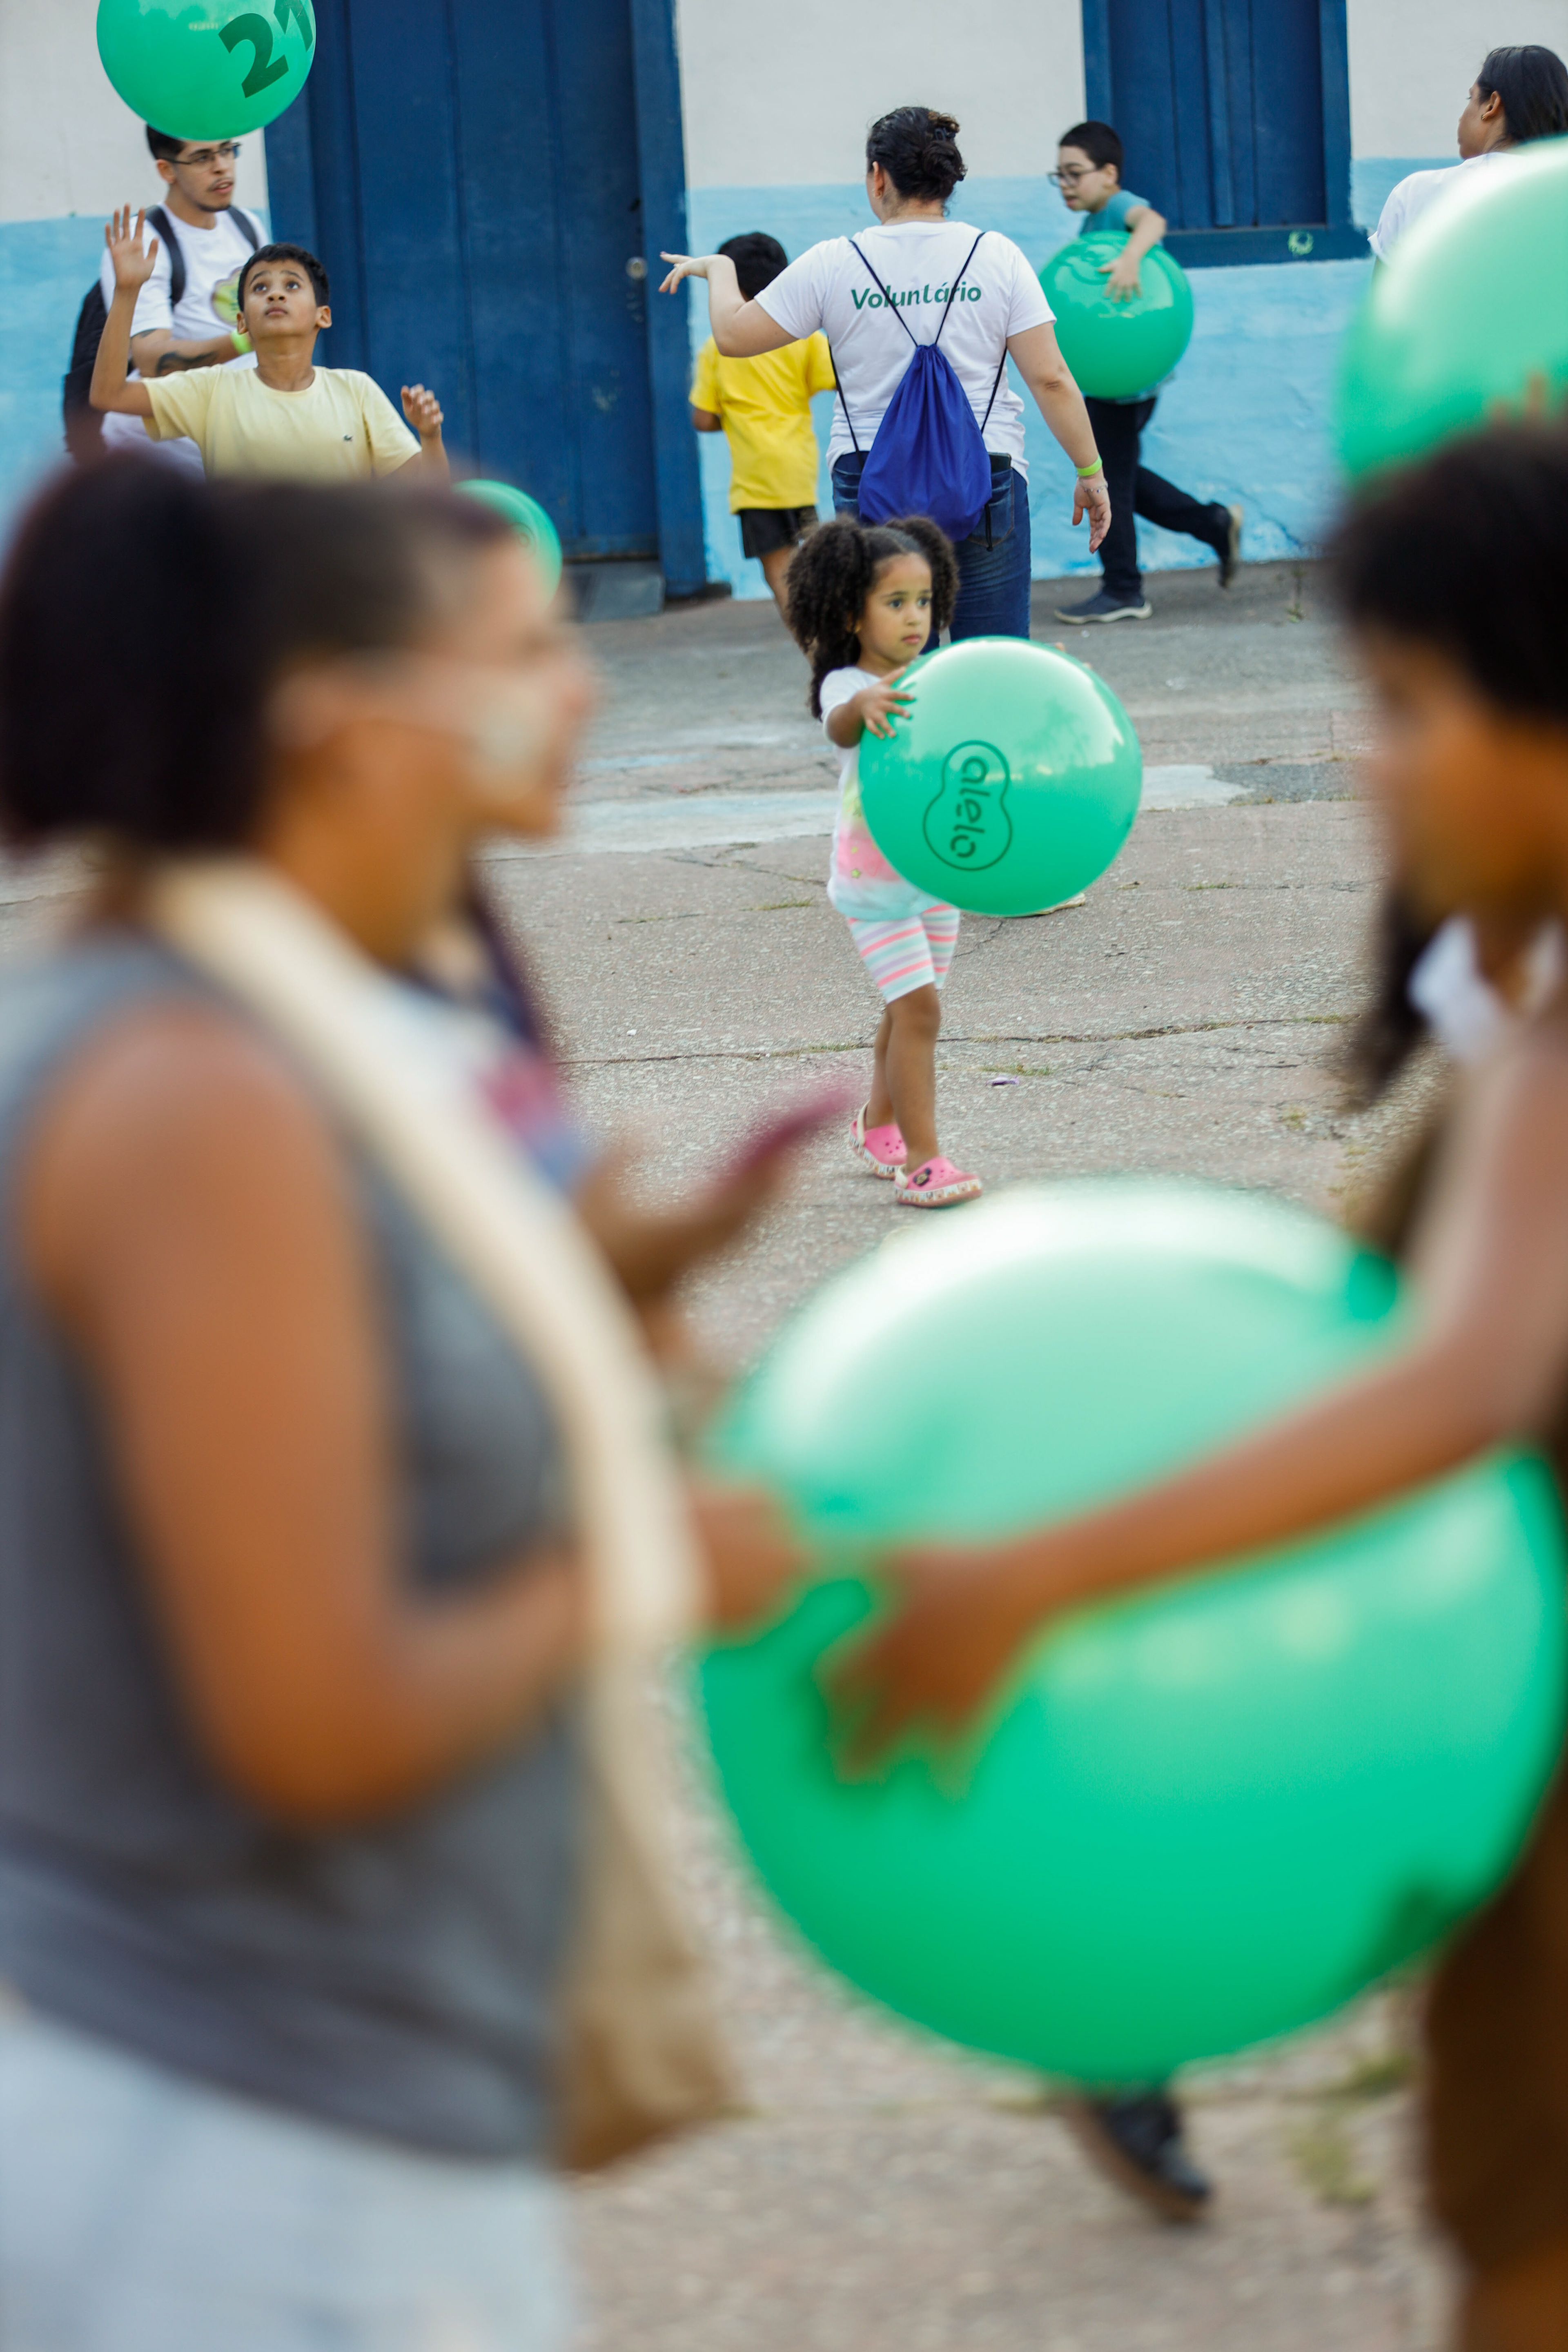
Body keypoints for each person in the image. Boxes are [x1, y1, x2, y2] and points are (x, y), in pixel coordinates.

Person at [0, 459, 805, 2349]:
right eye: (520, 655)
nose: (581, 687)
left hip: (328, 2096)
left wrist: (593, 1283)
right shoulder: (199, 1090)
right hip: (229, 2153)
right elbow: (317, 1712)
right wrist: (652, 1557)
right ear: (342, 721)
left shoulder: (314, 1024)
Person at [835, 421, 1568, 2347]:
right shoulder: (1511, 986)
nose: (1364, 756)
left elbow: (1457, 1382)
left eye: (1406, 707)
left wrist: (1035, 1573)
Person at [662, 107, 1110, 644]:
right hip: (985, 473)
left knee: (894, 664)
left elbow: (734, 337)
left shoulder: (835, 262)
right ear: (947, 180)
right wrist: (1090, 472)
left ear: (878, 176)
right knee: (992, 660)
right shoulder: (997, 256)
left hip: (870, 477)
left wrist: (719, 268)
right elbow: (1052, 379)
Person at [785, 512, 982, 1208]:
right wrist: (863, 703)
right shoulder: (847, 685)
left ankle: (878, 1125)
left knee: (909, 1013)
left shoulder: (937, 676)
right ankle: (924, 1161)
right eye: (895, 603)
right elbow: (839, 724)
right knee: (920, 1010)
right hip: (874, 887)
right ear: (851, 612)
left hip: (935, 875)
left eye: (924, 601)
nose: (915, 617)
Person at [91, 211, 448, 483]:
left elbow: (432, 494)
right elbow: (109, 395)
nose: (276, 294)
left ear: (323, 316)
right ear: (242, 322)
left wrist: (430, 436)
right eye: (260, 288)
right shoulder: (212, 391)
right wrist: (127, 292)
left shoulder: (356, 390)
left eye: (292, 286)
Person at [1050, 120, 1242, 625]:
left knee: (1106, 478)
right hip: (1115, 378)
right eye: (1059, 176)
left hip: (1125, 382)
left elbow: (1152, 221)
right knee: (1120, 475)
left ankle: (1124, 589)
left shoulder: (1118, 208)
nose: (1066, 184)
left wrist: (1132, 257)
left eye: (1075, 173)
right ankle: (1214, 523)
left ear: (1109, 174)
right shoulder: (1092, 224)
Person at [87, 124, 266, 471]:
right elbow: (151, 359)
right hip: (158, 460)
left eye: (227, 150)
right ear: (166, 170)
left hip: (231, 447)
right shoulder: (146, 243)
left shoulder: (247, 226)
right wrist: (247, 340)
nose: (222, 167)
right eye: (202, 158)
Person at [690, 232, 837, 617]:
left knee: (780, 573)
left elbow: (702, 419)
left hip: (756, 481)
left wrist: (735, 418)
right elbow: (838, 378)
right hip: (799, 472)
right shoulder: (803, 338)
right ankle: (829, 635)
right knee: (808, 562)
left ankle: (814, 646)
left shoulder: (716, 349)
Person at [1371, 45, 1568, 261]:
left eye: (1471, 98)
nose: (1461, 117)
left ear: (1491, 105)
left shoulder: (1415, 195)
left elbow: (1385, 284)